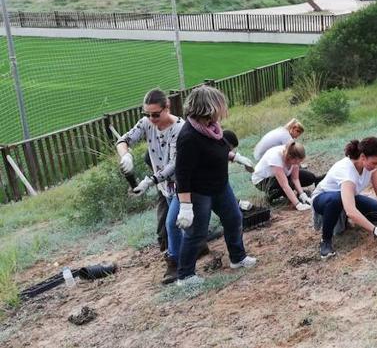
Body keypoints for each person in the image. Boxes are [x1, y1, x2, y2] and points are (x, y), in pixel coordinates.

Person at [175, 85, 256, 285]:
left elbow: (216, 149)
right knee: (197, 233)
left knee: (234, 219)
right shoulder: (188, 137)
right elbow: (182, 174)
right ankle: (185, 276)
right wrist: (185, 206)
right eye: (219, 106)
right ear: (207, 108)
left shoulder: (212, 128)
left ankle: (238, 258)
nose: (222, 110)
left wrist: (236, 158)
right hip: (199, 192)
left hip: (220, 186)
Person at [116, 89, 185, 284]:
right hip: (164, 186)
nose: (151, 118)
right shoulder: (147, 124)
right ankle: (196, 246)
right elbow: (123, 140)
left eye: (156, 114)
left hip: (183, 184)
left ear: (167, 107)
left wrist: (149, 181)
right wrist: (126, 155)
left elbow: (174, 164)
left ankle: (175, 265)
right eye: (147, 114)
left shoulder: (180, 128)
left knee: (172, 223)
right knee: (173, 224)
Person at [312, 137, 377, 259]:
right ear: (363, 157)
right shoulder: (347, 172)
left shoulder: (371, 167)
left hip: (348, 197)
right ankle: (326, 240)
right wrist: (376, 231)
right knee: (336, 199)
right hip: (324, 199)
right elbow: (351, 211)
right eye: (375, 163)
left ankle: (347, 219)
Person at [251, 141, 323, 209]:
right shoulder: (275, 158)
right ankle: (271, 195)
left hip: (281, 175)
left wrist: (303, 195)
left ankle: (292, 196)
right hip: (262, 181)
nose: (298, 164)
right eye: (296, 162)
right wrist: (298, 204)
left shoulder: (293, 154)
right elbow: (284, 185)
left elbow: (295, 178)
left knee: (308, 177)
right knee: (289, 184)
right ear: (290, 157)